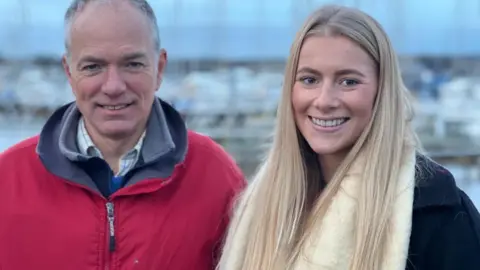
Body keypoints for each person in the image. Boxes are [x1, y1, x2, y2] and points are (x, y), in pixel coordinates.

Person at [217, 5, 480, 270]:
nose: (324, 101)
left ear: (382, 92)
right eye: (309, 80)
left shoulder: (438, 214)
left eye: (348, 82)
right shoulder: (261, 203)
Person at [0, 0, 245, 269]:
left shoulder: (215, 175)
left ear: (159, 68)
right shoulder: (9, 178)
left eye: (132, 64)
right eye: (93, 66)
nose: (113, 86)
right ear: (69, 73)